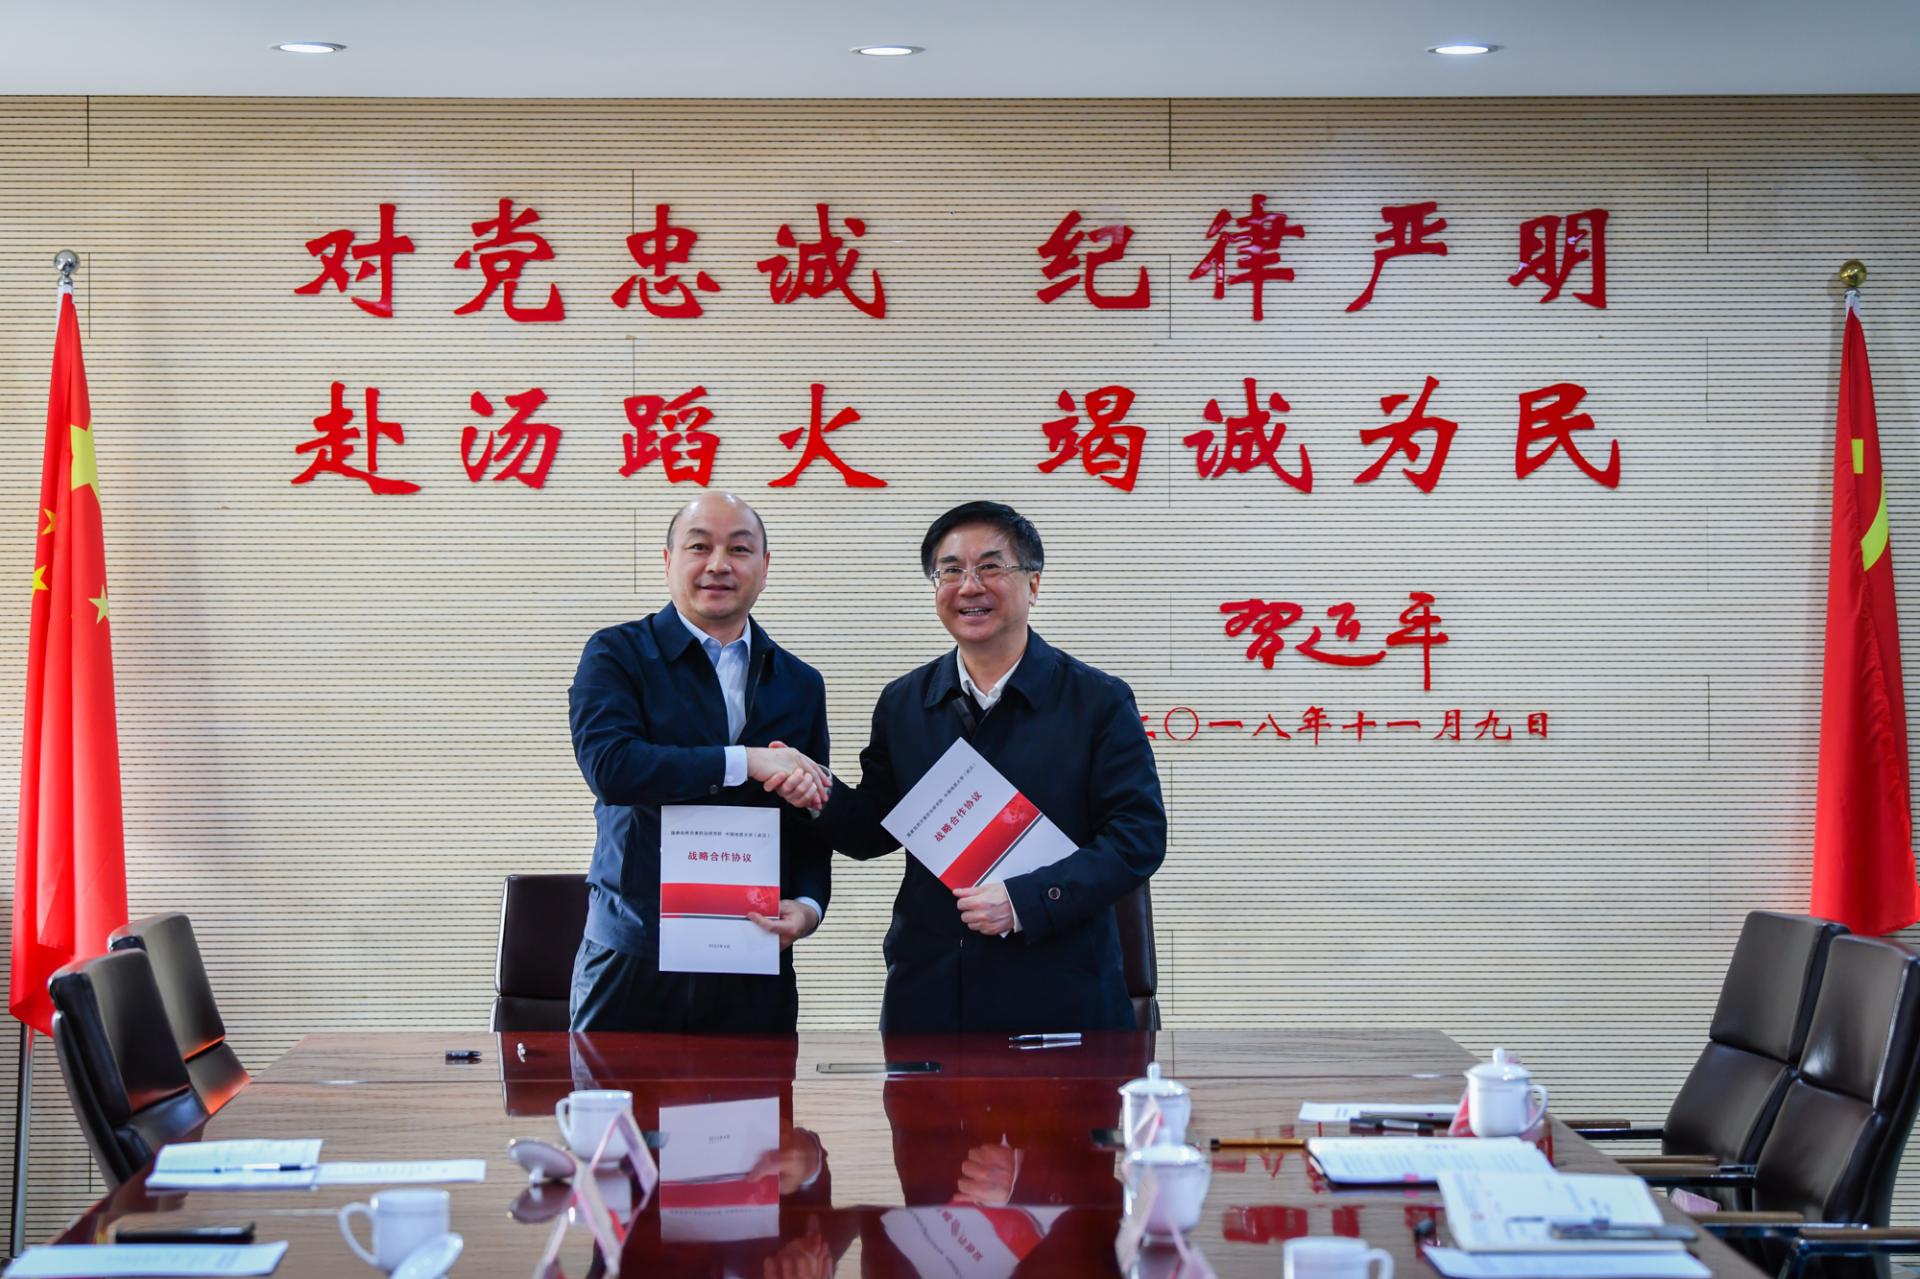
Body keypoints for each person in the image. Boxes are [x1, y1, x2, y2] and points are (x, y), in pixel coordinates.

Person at [801, 501, 1166, 1032]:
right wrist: (816, 792)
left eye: (991, 567)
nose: (969, 587)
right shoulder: (904, 702)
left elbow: (1138, 838)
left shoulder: (1097, 701)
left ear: (1033, 584)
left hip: (1060, 993)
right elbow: (874, 829)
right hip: (929, 997)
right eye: (950, 571)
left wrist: (1026, 900)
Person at [568, 491, 832, 1032]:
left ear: (765, 567)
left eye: (739, 549)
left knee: (758, 1091)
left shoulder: (800, 682)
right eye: (699, 547)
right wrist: (743, 762)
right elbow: (612, 768)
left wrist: (809, 905)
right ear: (668, 561)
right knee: (612, 1090)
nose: (718, 564)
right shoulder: (617, 654)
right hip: (633, 951)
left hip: (754, 949)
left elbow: (811, 813)